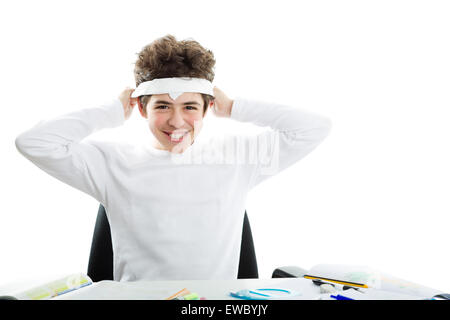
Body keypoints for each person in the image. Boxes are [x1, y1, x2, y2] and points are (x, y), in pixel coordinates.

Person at [15, 34, 332, 281]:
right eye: (163, 106)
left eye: (190, 107)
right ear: (142, 108)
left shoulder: (238, 158)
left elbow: (314, 128)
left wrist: (235, 107)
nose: (177, 121)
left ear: (208, 108)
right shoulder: (109, 163)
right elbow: (34, 143)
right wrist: (109, 112)